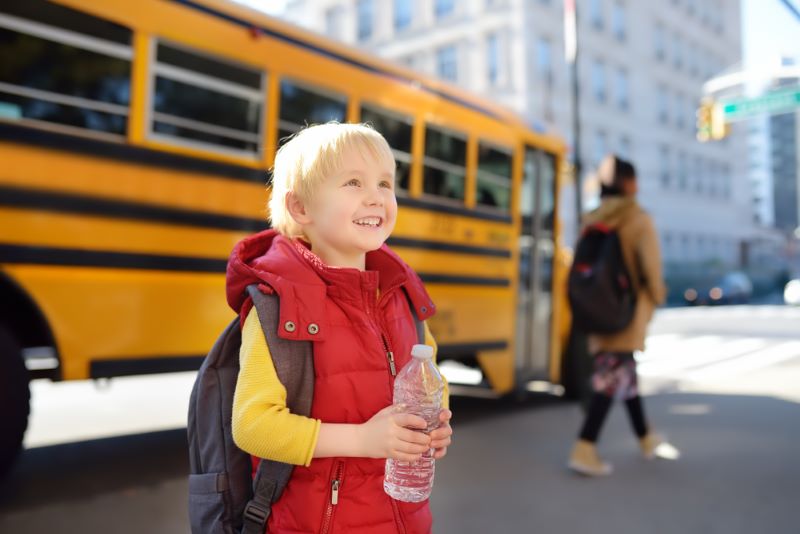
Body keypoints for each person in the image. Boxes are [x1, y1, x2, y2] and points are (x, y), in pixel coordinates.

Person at [226, 122, 453, 533]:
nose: (376, 197)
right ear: (301, 209)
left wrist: (435, 423)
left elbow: (429, 372)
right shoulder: (278, 306)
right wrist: (364, 441)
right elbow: (253, 425)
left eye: (385, 183)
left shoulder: (402, 296)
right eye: (353, 182)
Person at [567, 154, 672, 477]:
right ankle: (585, 447)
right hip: (626, 312)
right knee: (611, 378)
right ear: (629, 184)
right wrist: (658, 295)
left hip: (598, 309)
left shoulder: (593, 218)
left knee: (624, 373)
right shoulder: (638, 219)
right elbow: (651, 268)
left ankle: (646, 437)